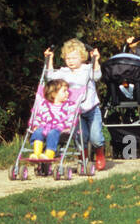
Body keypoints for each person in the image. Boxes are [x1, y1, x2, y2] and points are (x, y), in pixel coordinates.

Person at [44, 39, 106, 169]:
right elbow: (49, 78)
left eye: (74, 58)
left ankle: (99, 153)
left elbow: (96, 76)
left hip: (91, 108)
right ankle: (83, 159)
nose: (71, 61)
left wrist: (96, 60)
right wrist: (49, 60)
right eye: (68, 58)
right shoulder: (64, 72)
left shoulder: (87, 69)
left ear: (82, 57)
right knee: (80, 137)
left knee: (96, 137)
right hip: (74, 111)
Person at [29, 79, 76, 171]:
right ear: (54, 94)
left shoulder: (69, 105)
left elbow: (71, 117)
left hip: (60, 130)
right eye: (64, 91)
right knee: (38, 132)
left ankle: (49, 154)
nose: (67, 93)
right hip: (44, 127)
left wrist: (68, 126)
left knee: (53, 133)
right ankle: (37, 154)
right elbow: (39, 116)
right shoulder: (44, 105)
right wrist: (35, 125)